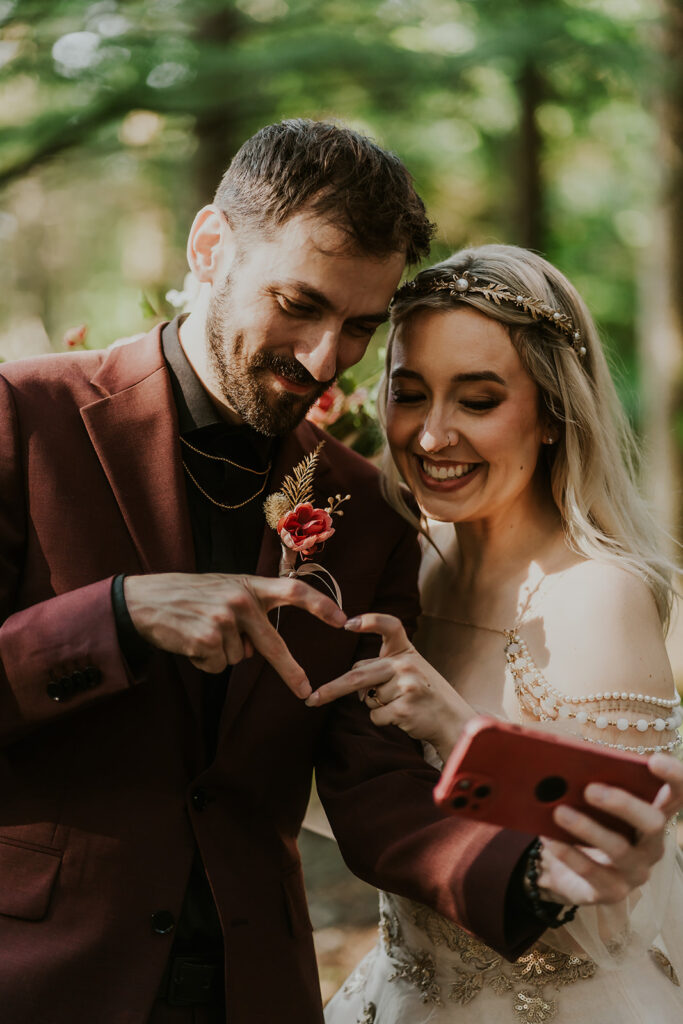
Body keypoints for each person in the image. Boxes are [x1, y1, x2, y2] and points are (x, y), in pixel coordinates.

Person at [0, 125, 680, 1024]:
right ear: (210, 248)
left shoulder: (361, 503)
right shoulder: (23, 418)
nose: (324, 361)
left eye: (361, 327)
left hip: (255, 993)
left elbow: (373, 783)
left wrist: (534, 873)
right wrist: (118, 616)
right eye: (298, 304)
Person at [318, 243, 683, 1023]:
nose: (430, 435)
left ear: (552, 414)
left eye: (477, 401)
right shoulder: (403, 565)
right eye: (409, 394)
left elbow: (607, 920)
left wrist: (457, 730)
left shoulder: (595, 598)